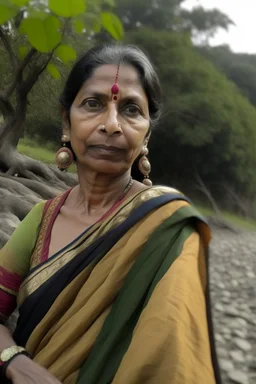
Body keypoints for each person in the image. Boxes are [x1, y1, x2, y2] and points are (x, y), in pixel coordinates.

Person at [0, 44, 221, 384]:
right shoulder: (41, 219)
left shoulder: (168, 228)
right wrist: (17, 362)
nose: (112, 124)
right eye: (93, 104)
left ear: (147, 132)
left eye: (131, 109)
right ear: (66, 119)